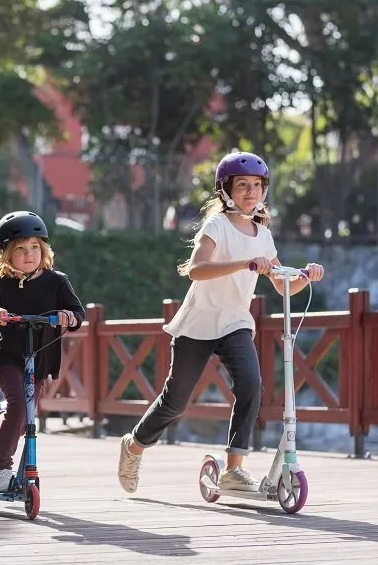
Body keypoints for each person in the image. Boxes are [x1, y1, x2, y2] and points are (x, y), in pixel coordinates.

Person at [116, 151, 324, 494]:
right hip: (198, 323)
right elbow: (196, 269)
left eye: (257, 186)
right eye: (242, 185)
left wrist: (306, 275)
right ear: (225, 190)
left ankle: (233, 469)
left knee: (251, 385)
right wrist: (244, 264)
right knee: (176, 401)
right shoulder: (216, 226)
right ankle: (134, 446)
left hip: (235, 322)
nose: (251, 192)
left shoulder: (263, 234)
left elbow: (282, 283)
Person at [0, 211, 86, 492]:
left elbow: (77, 312)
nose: (29, 254)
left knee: (24, 421)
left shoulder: (57, 281)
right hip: (7, 358)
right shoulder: (0, 285)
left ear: (43, 250)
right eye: (20, 248)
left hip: (41, 359)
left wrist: (68, 317)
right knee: (20, 406)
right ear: (7, 254)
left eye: (35, 247)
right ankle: (0, 469)